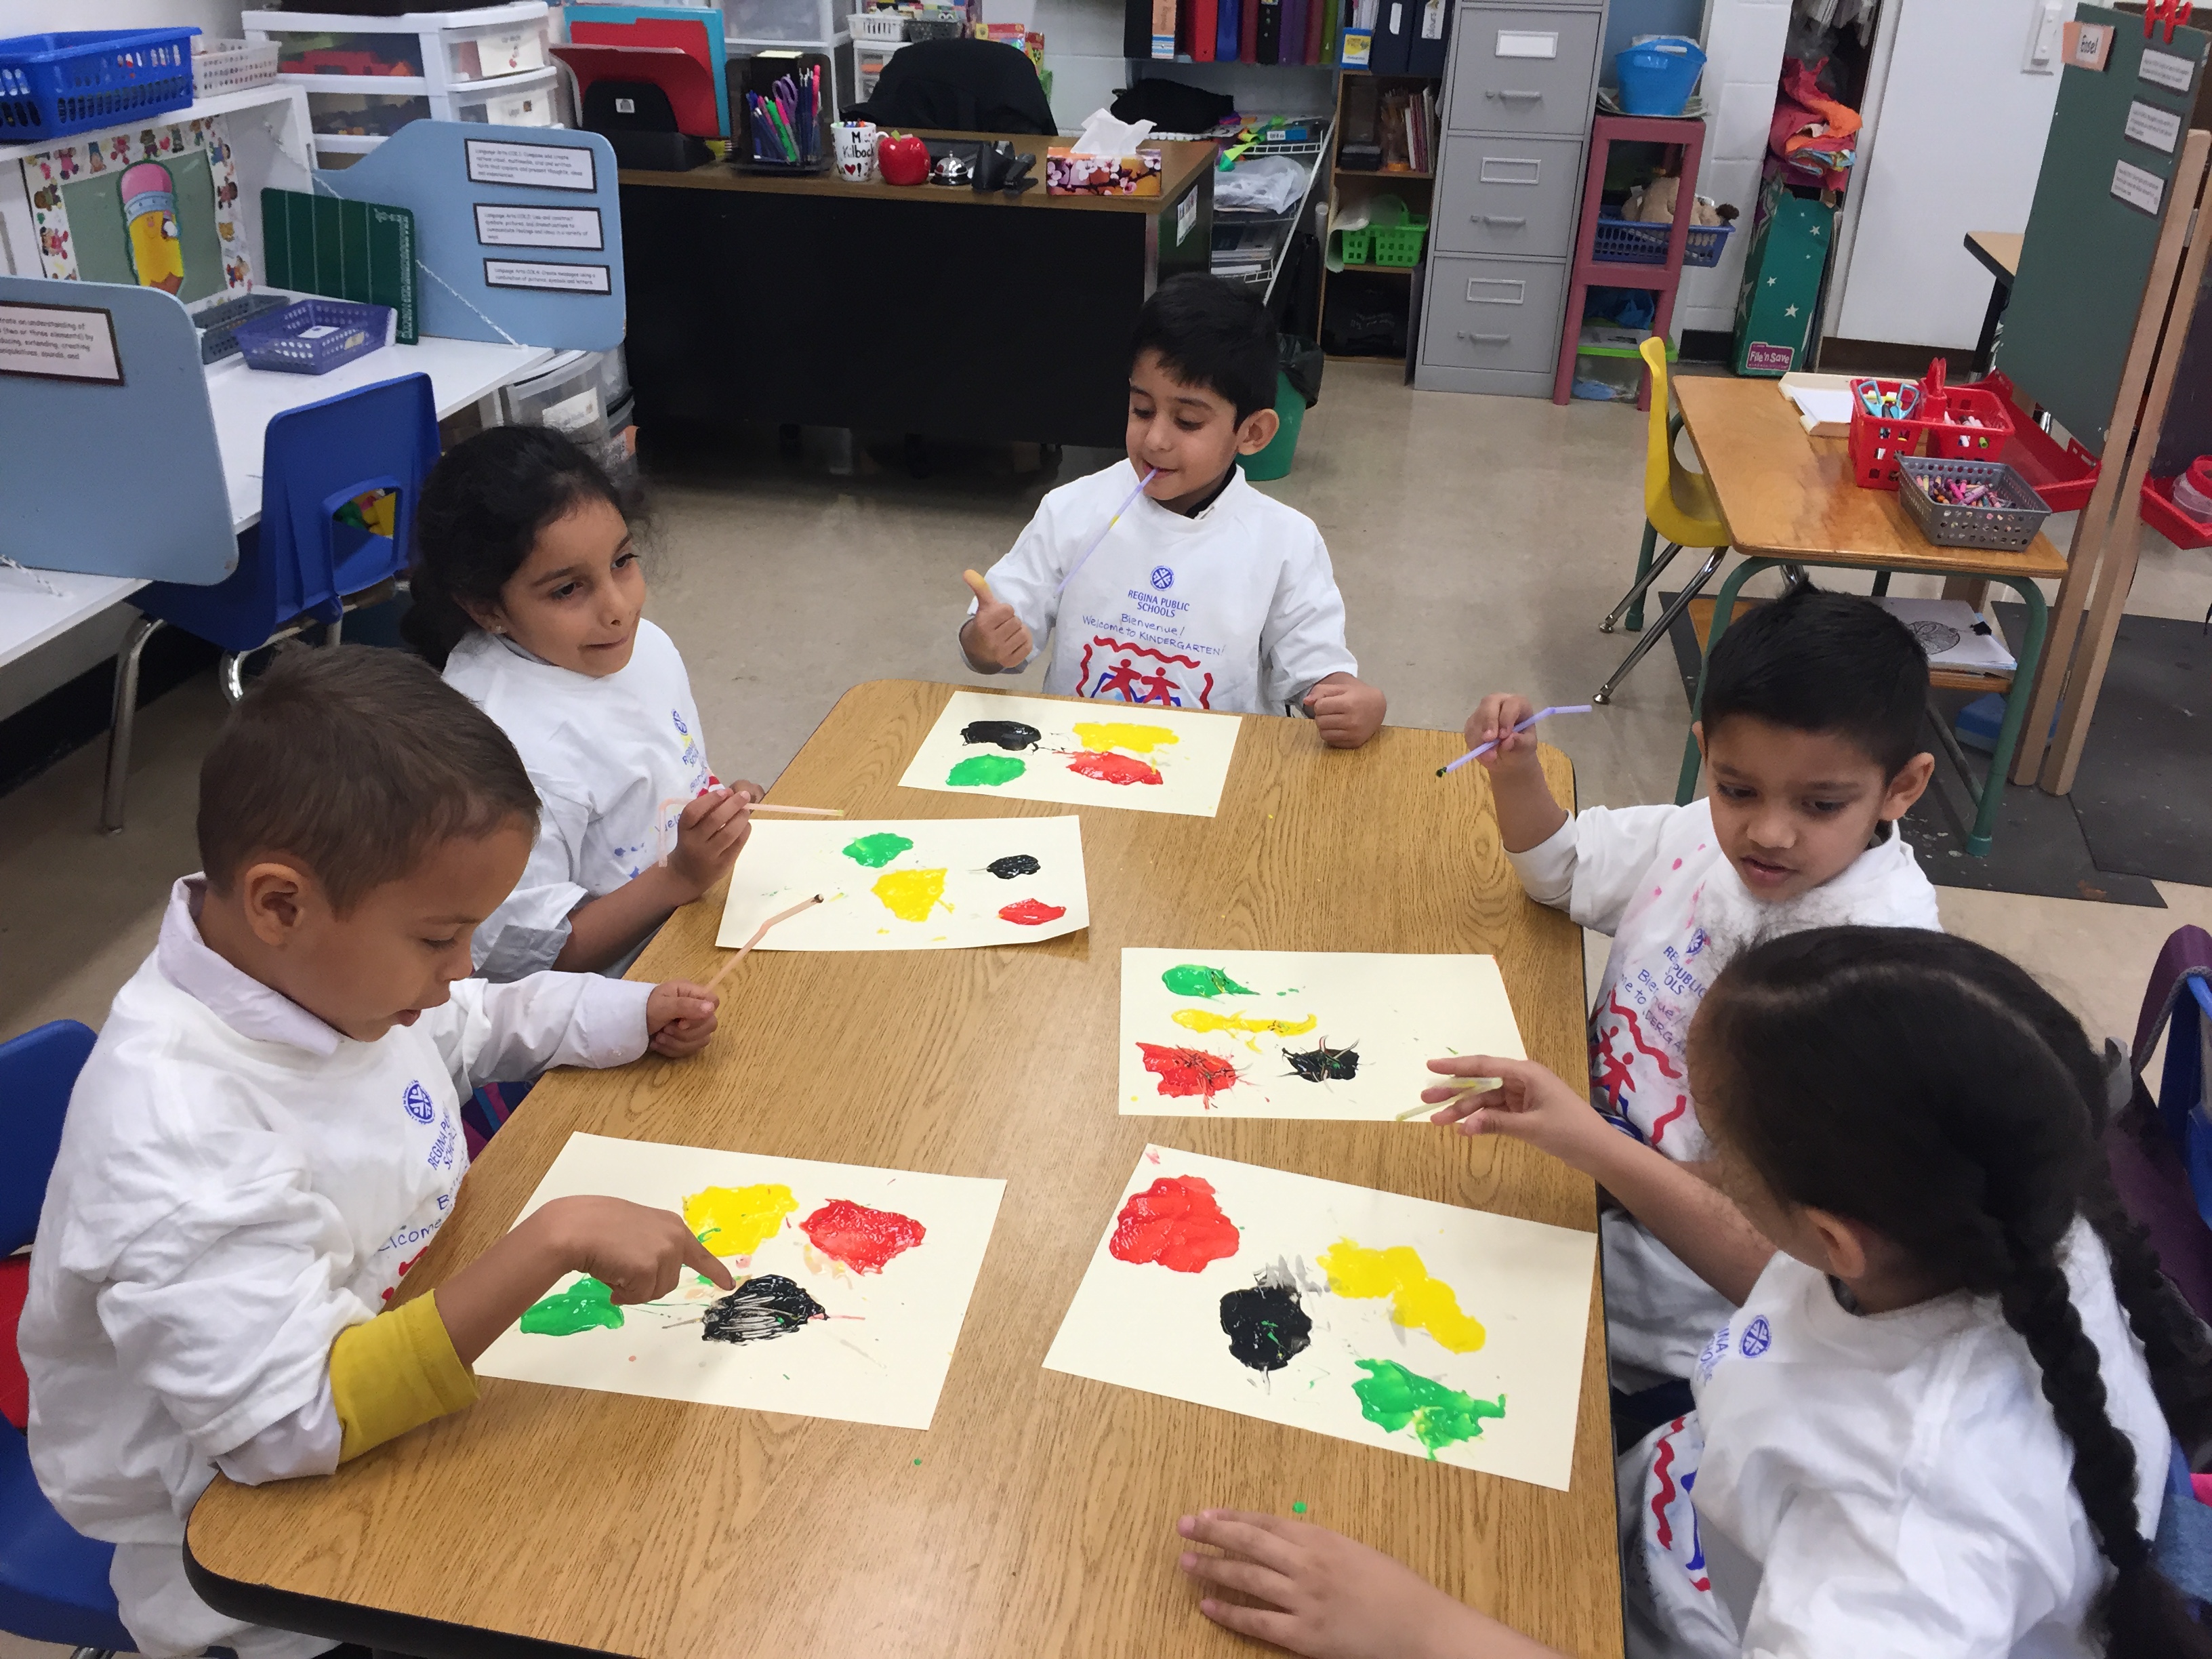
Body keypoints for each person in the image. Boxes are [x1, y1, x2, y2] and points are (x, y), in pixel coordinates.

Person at [1178, 928, 2212, 1659]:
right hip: (1697, 1508)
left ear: (1832, 1237)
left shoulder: (1905, 1540)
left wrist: (1409, 1630)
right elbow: (1788, 1288)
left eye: (1718, 1137)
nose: (1701, 1145)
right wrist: (1589, 1140)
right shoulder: (2001, 1216)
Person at [20, 647, 734, 1659]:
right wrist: (551, 1241)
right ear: (279, 903)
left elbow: (473, 1023)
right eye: (441, 937)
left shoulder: (322, 977)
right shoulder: (180, 1141)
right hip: (268, 1573)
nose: (463, 967)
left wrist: (628, 1013)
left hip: (410, 1366)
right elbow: (287, 1425)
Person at [1465, 587, 1940, 1427]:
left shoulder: (1878, 976)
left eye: (1820, 805)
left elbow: (1790, 1261)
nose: (1770, 833)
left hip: (1666, 1344)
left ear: (1901, 788)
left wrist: (1596, 1159)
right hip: (1567, 1204)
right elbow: (1566, 871)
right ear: (1705, 754)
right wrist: (1518, 772)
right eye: (1738, 789)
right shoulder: (1697, 834)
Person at [958, 272, 1387, 746]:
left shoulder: (1285, 540)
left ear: (1254, 433)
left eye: (1187, 421)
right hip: (1078, 756)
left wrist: (1349, 699)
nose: (1156, 439)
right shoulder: (1072, 509)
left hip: (1219, 771)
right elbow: (991, 643)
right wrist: (984, 642)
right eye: (1141, 410)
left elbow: (1316, 674)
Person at [404, 426, 760, 979]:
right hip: (610, 1000)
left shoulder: (641, 649)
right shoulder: (492, 752)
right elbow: (533, 966)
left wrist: (720, 807)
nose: (618, 608)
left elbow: (667, 774)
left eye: (623, 562)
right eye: (568, 590)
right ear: (484, 607)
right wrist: (680, 878)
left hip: (695, 924)